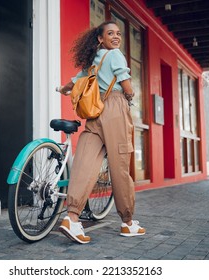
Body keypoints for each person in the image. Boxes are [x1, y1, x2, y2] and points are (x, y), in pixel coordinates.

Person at [56, 21, 145, 244]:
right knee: (120, 165)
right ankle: (127, 222)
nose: (116, 37)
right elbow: (127, 87)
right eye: (110, 33)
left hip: (94, 115)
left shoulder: (92, 62)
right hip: (114, 110)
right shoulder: (115, 56)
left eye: (118, 34)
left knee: (84, 164)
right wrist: (131, 95)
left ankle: (72, 218)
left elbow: (72, 84)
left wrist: (61, 89)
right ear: (100, 38)